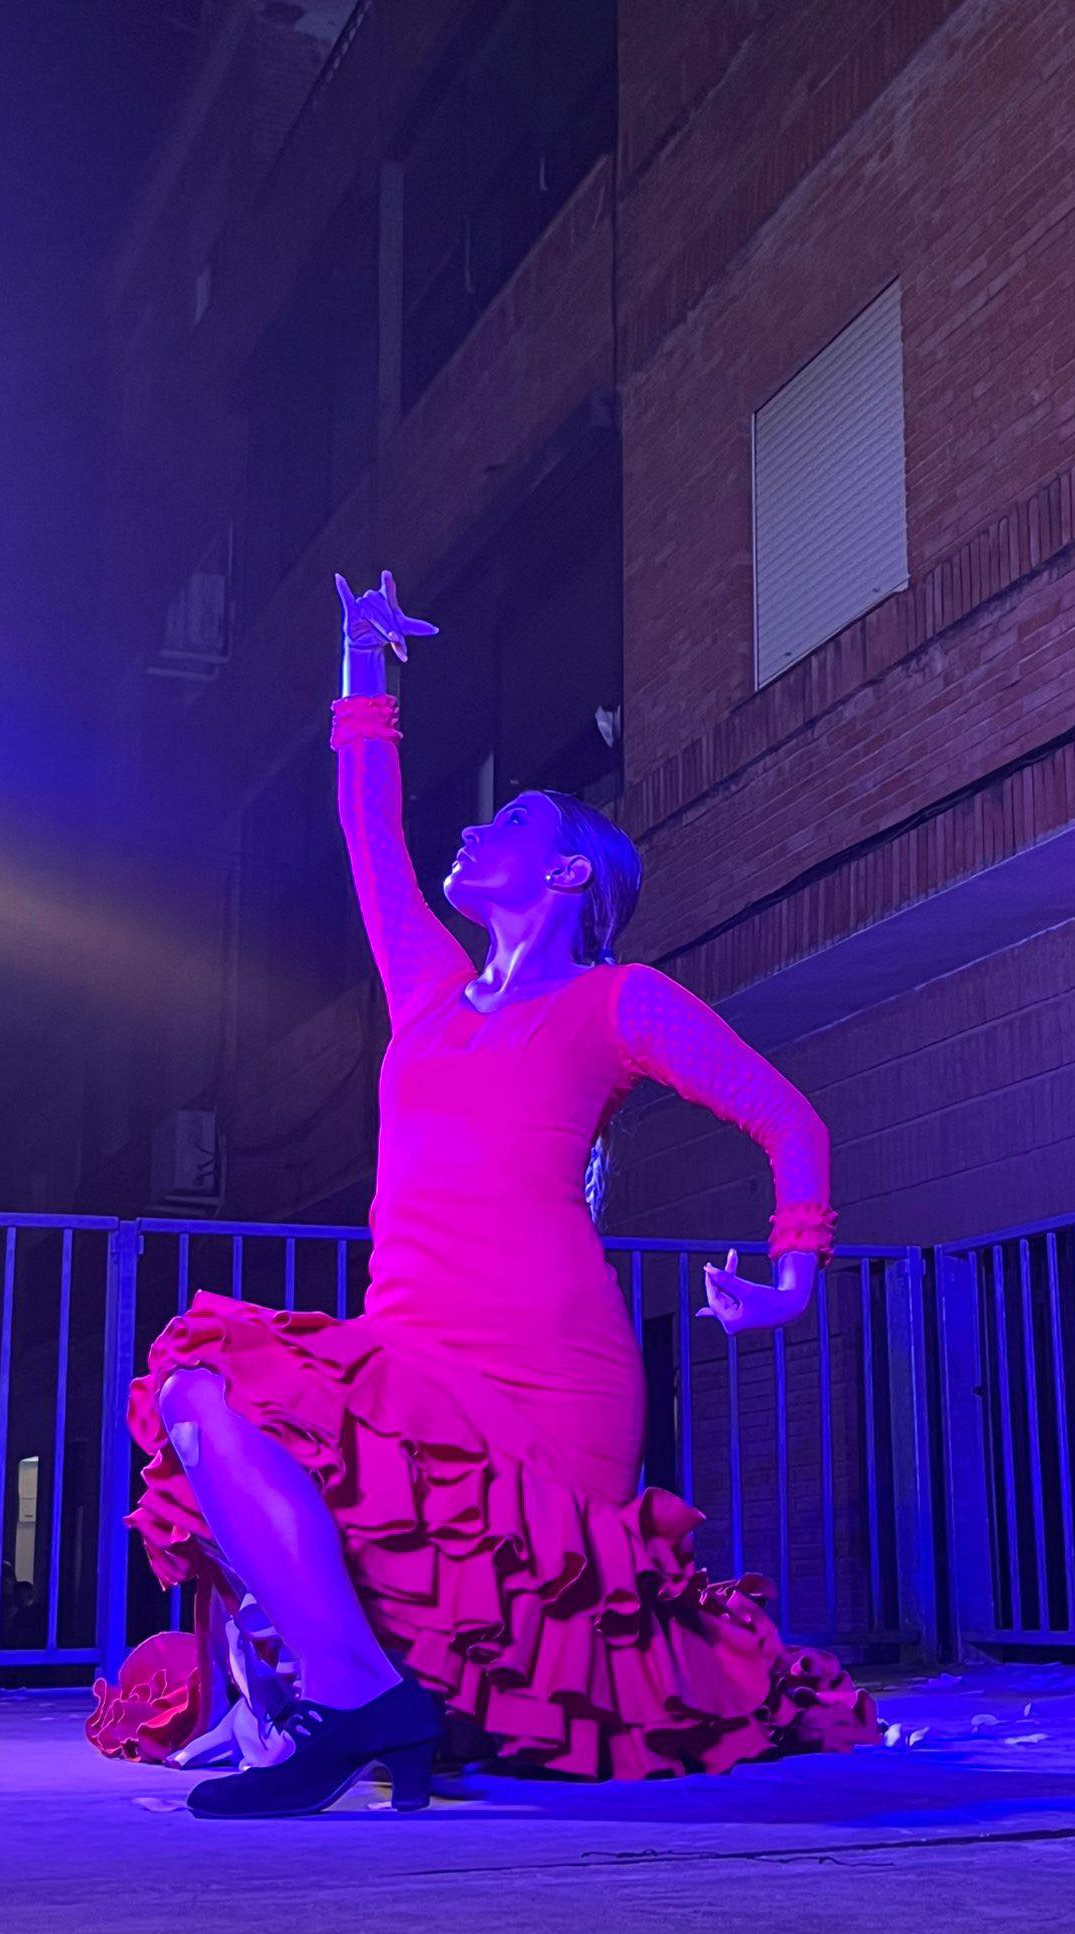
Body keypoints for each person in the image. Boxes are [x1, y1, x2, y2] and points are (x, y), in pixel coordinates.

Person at [86, 570, 878, 1815]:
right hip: (411, 1343)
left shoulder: (615, 1002)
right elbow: (370, 836)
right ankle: (348, 1695)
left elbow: (790, 1118)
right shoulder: (428, 993)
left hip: (549, 1377)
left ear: (566, 875)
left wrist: (790, 1275)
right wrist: (363, 663)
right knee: (202, 1393)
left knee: (220, 1389)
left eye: (509, 819)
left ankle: (351, 1703)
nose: (475, 830)